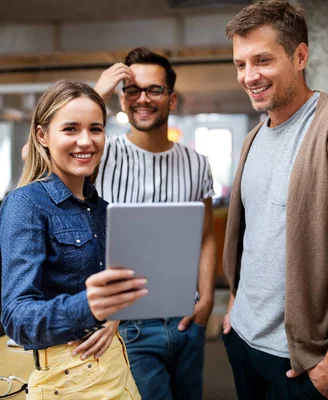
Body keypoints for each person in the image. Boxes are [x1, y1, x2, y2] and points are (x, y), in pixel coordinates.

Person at [221, 2, 328, 399]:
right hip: (242, 340)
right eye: (240, 64)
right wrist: (233, 308)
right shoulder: (254, 138)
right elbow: (251, 237)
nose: (250, 76)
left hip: (300, 364)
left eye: (262, 60)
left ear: (300, 56)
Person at [0, 80, 147, 399]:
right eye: (70, 129)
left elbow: (111, 291)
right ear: (42, 136)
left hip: (116, 367)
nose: (86, 141)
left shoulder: (102, 208)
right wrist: (88, 308)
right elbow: (16, 317)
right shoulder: (26, 205)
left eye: (95, 129)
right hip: (69, 379)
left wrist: (113, 314)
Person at [93, 47, 217, 400]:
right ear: (121, 98)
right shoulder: (101, 153)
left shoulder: (197, 163)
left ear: (172, 99)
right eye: (132, 89)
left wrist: (207, 298)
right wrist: (95, 94)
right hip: (125, 325)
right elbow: (36, 154)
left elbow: (205, 236)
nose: (142, 99)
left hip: (186, 320)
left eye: (154, 90)